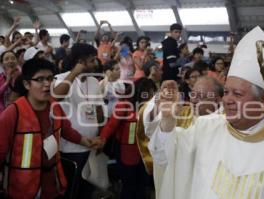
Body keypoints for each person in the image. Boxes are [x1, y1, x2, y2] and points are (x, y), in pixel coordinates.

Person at [144, 26, 264, 199]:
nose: (227, 100)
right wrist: (167, 120)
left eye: (238, 94)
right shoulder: (205, 127)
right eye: (226, 92)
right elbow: (165, 158)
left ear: (263, 100)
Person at [0, 58, 97, 199]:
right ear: (27, 84)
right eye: (40, 79)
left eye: (50, 78)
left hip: (52, 184)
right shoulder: (13, 113)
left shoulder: (54, 107)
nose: (47, 84)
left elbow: (67, 131)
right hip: (22, 189)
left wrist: (86, 141)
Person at [137, 76, 223, 198]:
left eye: (200, 96)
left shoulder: (227, 124)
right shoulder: (180, 112)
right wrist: (162, 101)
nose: (194, 100)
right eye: (193, 94)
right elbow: (151, 132)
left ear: (218, 100)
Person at [53, 43, 104, 199]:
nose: (96, 64)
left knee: (86, 189)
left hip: (91, 145)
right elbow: (56, 96)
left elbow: (98, 109)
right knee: (70, 190)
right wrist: (74, 73)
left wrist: (101, 135)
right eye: (92, 60)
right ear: (81, 61)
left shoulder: (94, 81)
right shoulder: (62, 78)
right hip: (70, 147)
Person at [97, 78, 157, 199]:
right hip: (127, 153)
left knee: (142, 185)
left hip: (146, 154)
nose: (151, 96)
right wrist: (102, 140)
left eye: (152, 93)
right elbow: (111, 125)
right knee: (129, 186)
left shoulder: (152, 107)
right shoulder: (124, 105)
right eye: (148, 93)